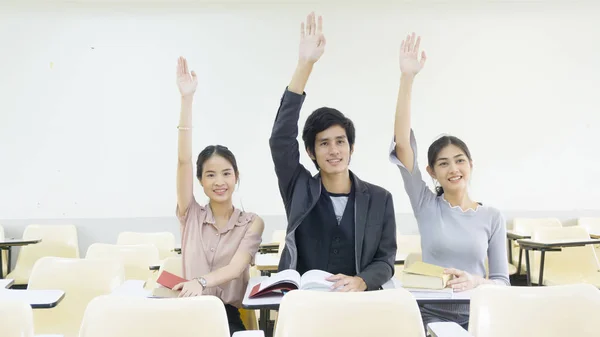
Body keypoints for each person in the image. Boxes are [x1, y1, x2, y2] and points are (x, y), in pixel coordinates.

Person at [389, 33, 510, 330]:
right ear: (432, 172)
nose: (453, 168)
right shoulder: (426, 204)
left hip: (480, 314)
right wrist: (407, 78)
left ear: (471, 165)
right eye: (443, 163)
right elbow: (403, 144)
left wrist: (476, 281)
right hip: (431, 314)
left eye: (459, 160)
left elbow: (502, 283)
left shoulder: (492, 217)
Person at [269, 12, 397, 292]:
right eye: (324, 143)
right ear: (311, 152)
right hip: (306, 304)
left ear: (352, 148)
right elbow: (280, 139)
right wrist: (305, 65)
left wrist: (362, 281)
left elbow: (385, 260)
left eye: (340, 142)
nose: (334, 150)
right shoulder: (299, 188)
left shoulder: (380, 199)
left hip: (360, 304)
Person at [172, 56, 265, 335]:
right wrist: (186, 100)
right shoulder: (191, 214)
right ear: (200, 181)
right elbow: (183, 161)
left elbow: (236, 268)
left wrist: (200, 281)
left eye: (226, 173)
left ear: (236, 176)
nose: (219, 181)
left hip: (225, 314)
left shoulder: (252, 223)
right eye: (210, 174)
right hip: (186, 311)